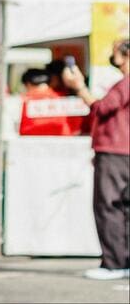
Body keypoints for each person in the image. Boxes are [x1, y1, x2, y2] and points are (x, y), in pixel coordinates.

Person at [63, 38, 130, 280]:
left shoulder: (125, 84)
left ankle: (114, 263)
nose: (113, 58)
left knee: (109, 206)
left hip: (115, 151)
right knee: (122, 207)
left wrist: (79, 87)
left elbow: (102, 108)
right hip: (120, 151)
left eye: (115, 53)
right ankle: (121, 261)